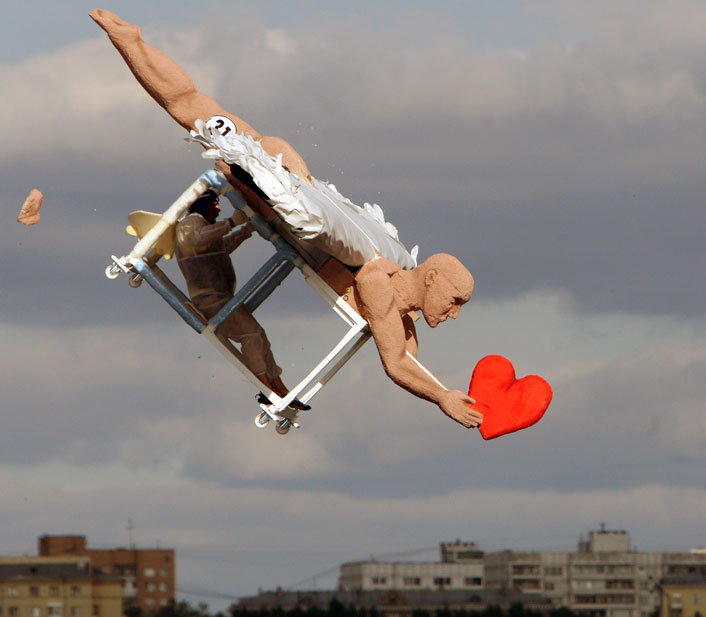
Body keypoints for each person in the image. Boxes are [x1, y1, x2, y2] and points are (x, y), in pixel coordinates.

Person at [91, 9, 483, 429]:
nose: (454, 313)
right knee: (194, 111)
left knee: (197, 107)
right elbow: (396, 363)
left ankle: (131, 41)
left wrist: (443, 391)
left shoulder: (397, 294)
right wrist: (441, 397)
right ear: (430, 279)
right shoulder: (378, 285)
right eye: (454, 301)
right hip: (273, 187)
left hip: (290, 179)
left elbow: (407, 358)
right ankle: (129, 43)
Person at [176, 189, 303, 407]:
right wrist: (232, 222)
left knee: (259, 335)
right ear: (203, 204)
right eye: (215, 203)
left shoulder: (202, 227)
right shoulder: (190, 224)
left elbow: (221, 248)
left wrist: (246, 230)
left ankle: (278, 386)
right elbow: (196, 238)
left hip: (222, 298)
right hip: (211, 300)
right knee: (251, 335)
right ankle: (266, 387)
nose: (218, 208)